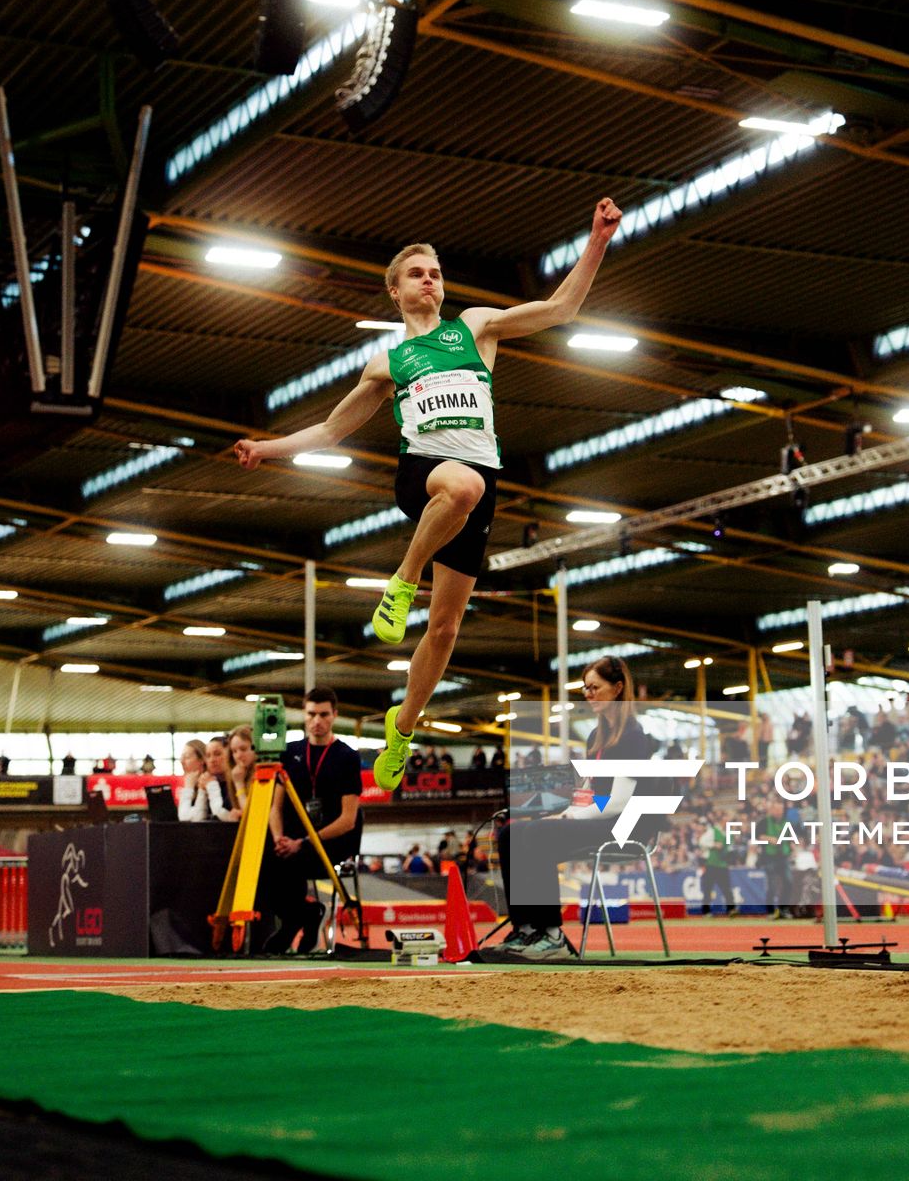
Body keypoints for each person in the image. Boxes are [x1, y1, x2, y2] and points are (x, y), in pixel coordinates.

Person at [231, 198, 625, 792]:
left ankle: (403, 726)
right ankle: (403, 579)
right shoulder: (388, 362)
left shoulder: (476, 327)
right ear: (395, 291)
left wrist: (597, 238)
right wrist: (268, 448)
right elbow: (332, 431)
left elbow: (561, 308)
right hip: (426, 472)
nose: (430, 280)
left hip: (479, 481)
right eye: (417, 273)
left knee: (444, 630)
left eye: (436, 272)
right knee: (459, 485)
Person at [495, 655, 662, 959]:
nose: (589, 695)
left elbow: (619, 803)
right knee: (510, 834)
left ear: (618, 688)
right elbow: (593, 793)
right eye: (585, 689)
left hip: (626, 825)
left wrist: (570, 815)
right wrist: (563, 809)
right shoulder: (595, 737)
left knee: (540, 833)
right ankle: (526, 928)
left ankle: (552, 934)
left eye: (595, 687)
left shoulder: (634, 737)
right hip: (601, 817)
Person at [260, 687, 365, 954]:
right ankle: (304, 915)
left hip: (332, 844)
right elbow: (276, 806)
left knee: (294, 861)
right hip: (291, 840)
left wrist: (303, 842)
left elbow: (348, 820)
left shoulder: (348, 757)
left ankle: (300, 919)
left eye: (323, 714)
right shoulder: (288, 752)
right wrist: (279, 838)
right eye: (311, 714)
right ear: (303, 716)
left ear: (334, 715)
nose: (317, 721)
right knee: (261, 864)